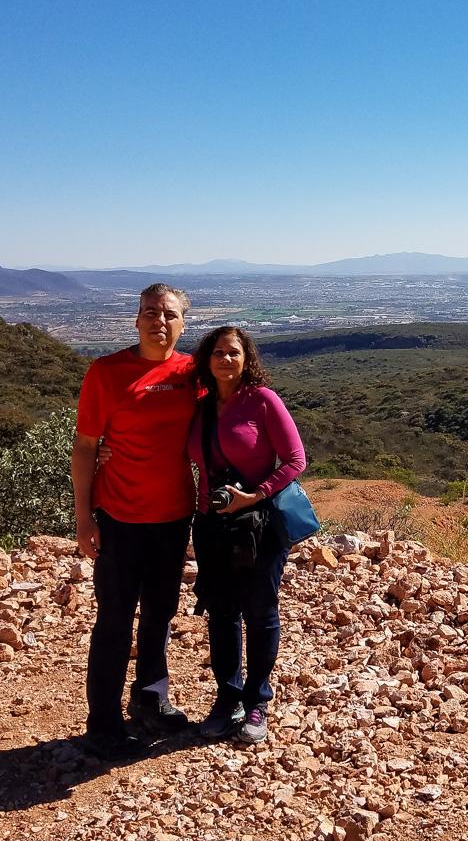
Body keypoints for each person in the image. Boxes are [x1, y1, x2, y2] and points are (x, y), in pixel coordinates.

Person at [72, 283, 197, 760]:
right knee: (115, 620)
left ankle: (150, 698)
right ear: (136, 319)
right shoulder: (106, 372)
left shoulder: (192, 373)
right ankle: (101, 722)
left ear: (182, 323)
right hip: (120, 517)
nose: (158, 321)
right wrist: (84, 517)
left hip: (173, 517)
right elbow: (85, 447)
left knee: (161, 614)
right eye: (149, 312)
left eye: (168, 314)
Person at [188, 326, 306, 744]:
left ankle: (257, 700)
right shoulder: (200, 406)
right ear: (206, 359)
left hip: (258, 526)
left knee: (259, 611)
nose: (225, 359)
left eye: (233, 352)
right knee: (221, 611)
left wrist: (254, 495)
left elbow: (295, 460)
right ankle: (227, 696)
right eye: (217, 352)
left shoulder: (262, 400)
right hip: (210, 523)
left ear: (246, 358)